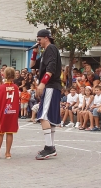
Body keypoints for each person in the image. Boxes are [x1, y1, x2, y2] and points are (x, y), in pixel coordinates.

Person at [30, 29, 62, 160]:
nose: (38, 42)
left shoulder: (51, 49)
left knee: (43, 116)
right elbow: (32, 65)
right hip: (52, 86)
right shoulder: (45, 52)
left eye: (39, 39)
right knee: (51, 118)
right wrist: (35, 52)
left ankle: (49, 148)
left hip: (50, 86)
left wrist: (42, 83)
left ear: (46, 38)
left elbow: (51, 68)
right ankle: (51, 146)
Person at [0, 67, 19, 159]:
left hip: (3, 112)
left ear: (5, 75)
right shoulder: (16, 87)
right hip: (13, 112)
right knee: (10, 132)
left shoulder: (0, 88)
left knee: (0, 132)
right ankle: (8, 153)